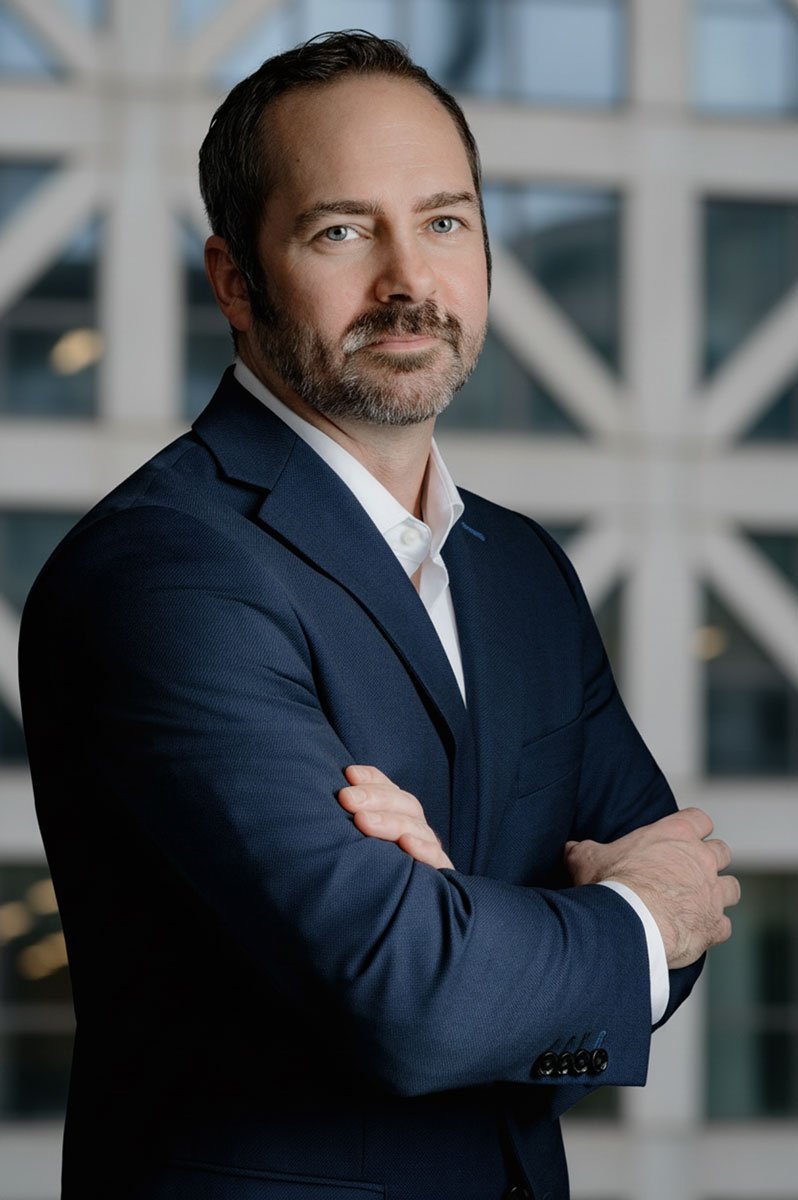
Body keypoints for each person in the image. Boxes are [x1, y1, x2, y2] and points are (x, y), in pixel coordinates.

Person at [19, 30, 739, 1200]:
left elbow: (684, 908)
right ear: (234, 280)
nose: (409, 279)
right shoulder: (166, 575)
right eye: (342, 230)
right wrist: (601, 926)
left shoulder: (522, 572)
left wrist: (470, 931)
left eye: (445, 222)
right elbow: (419, 1001)